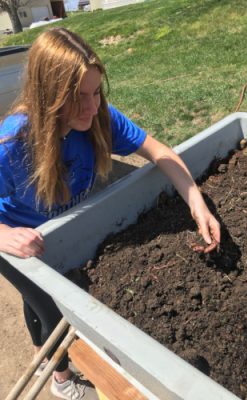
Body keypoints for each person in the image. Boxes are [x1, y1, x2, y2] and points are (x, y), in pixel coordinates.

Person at [0, 28, 220, 399]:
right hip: (18, 242)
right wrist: (4, 235)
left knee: (36, 302)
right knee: (52, 310)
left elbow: (158, 151)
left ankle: (43, 351)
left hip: (62, 234)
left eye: (96, 92)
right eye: (78, 98)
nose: (91, 106)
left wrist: (195, 199)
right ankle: (60, 377)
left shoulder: (97, 117)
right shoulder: (14, 142)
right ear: (48, 96)